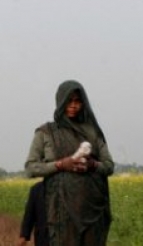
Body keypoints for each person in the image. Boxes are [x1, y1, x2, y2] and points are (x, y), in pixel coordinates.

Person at [25, 80, 114, 246]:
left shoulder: (92, 132)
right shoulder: (46, 132)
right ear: (60, 101)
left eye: (77, 101)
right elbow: (30, 168)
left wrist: (92, 165)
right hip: (61, 211)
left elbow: (109, 166)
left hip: (93, 211)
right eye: (69, 100)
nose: (73, 105)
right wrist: (60, 165)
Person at [18, 181, 48, 246]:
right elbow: (29, 214)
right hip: (43, 238)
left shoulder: (71, 188)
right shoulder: (36, 189)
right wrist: (24, 236)